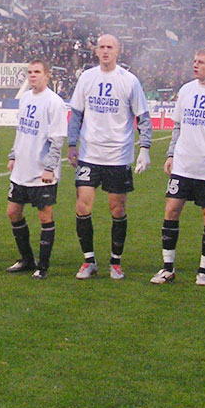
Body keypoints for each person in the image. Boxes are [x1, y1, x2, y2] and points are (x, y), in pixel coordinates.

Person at [151, 48, 205, 286]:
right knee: (171, 211)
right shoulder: (186, 90)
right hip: (183, 165)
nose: (195, 65)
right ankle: (167, 268)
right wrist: (171, 154)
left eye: (201, 62)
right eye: (194, 61)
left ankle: (203, 271)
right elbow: (178, 126)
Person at [67, 34, 152, 280]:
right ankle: (89, 261)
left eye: (110, 47)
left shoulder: (129, 81)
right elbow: (76, 113)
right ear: (96, 51)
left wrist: (144, 149)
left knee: (117, 208)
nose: (105, 51)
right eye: (101, 47)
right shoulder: (87, 77)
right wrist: (72, 144)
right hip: (89, 154)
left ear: (118, 51)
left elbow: (143, 117)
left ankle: (115, 262)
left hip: (118, 156)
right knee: (83, 205)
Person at [5, 61, 67, 278]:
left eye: (37, 72)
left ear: (47, 75)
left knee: (45, 216)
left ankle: (43, 266)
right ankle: (27, 259)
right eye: (30, 72)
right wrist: (13, 155)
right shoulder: (25, 98)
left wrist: (49, 168)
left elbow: (57, 139)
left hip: (42, 172)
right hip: (21, 169)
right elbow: (20, 130)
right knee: (13, 212)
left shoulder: (54, 102)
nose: (33, 76)